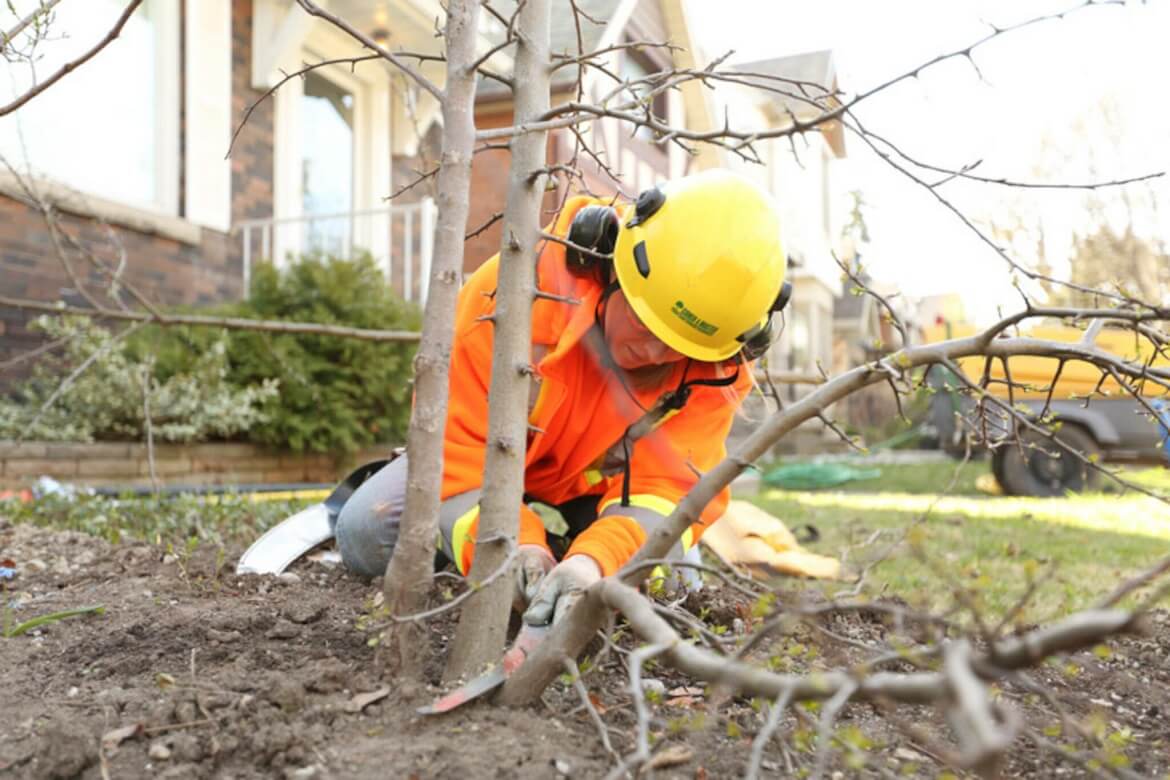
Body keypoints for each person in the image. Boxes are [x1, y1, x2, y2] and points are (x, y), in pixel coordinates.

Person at [334, 169, 790, 627]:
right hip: (482, 468)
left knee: (672, 579)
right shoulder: (509, 294)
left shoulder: (719, 362)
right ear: (611, 261)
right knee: (365, 531)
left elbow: (667, 490)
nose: (654, 350)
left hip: (600, 488)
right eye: (643, 320)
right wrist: (516, 549)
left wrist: (595, 562)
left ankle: (568, 565)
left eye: (679, 345)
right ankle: (525, 566)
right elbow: (455, 455)